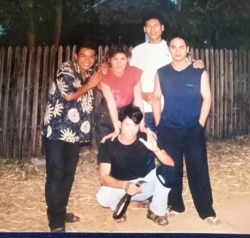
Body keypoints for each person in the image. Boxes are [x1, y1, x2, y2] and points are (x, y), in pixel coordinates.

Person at [152, 33, 220, 226]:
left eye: (181, 47)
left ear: (188, 49)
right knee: (172, 168)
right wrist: (159, 124)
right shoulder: (161, 72)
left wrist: (200, 123)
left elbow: (207, 98)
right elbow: (156, 97)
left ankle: (206, 210)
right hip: (168, 129)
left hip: (192, 129)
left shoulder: (198, 71)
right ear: (169, 50)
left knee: (198, 169)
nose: (177, 51)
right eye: (173, 47)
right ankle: (175, 205)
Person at [130, 11, 204, 173]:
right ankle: (148, 187)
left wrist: (198, 62)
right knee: (147, 148)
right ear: (144, 29)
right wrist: (142, 95)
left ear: (162, 28)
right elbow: (132, 78)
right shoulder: (137, 51)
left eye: (156, 25)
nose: (152, 29)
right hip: (145, 108)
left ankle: (169, 181)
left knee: (168, 149)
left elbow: (184, 66)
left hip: (169, 111)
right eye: (149, 26)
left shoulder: (170, 47)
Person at [41, 40, 103, 232]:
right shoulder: (66, 70)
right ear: (75, 56)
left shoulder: (90, 73)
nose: (87, 59)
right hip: (57, 131)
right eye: (83, 55)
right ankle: (56, 221)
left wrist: (103, 70)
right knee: (56, 174)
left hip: (74, 134)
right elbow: (69, 96)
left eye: (91, 56)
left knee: (68, 174)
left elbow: (104, 74)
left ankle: (60, 210)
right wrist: (90, 84)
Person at [96, 105, 175, 226]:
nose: (131, 130)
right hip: (121, 187)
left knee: (167, 172)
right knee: (102, 196)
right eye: (127, 124)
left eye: (135, 125)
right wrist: (125, 185)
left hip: (141, 187)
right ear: (119, 124)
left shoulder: (145, 138)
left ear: (139, 126)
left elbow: (171, 164)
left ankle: (156, 211)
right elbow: (103, 178)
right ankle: (119, 205)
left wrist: (156, 150)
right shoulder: (109, 144)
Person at [95, 43, 145, 147]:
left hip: (126, 113)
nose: (119, 63)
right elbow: (111, 103)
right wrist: (117, 129)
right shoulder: (104, 75)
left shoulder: (134, 72)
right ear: (109, 60)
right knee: (107, 147)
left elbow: (139, 100)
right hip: (107, 113)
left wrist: (142, 125)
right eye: (115, 59)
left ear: (128, 59)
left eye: (122, 59)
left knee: (126, 148)